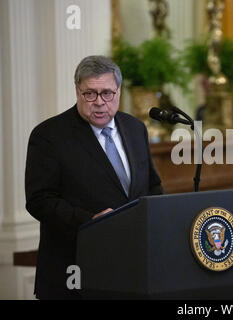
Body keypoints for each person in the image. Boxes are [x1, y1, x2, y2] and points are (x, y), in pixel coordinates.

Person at [25, 55, 163, 299]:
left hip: (132, 270)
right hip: (75, 271)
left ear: (119, 92)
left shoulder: (135, 128)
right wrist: (90, 221)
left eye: (107, 93)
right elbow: (39, 200)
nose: (99, 102)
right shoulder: (49, 136)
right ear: (78, 91)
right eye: (90, 94)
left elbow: (152, 185)